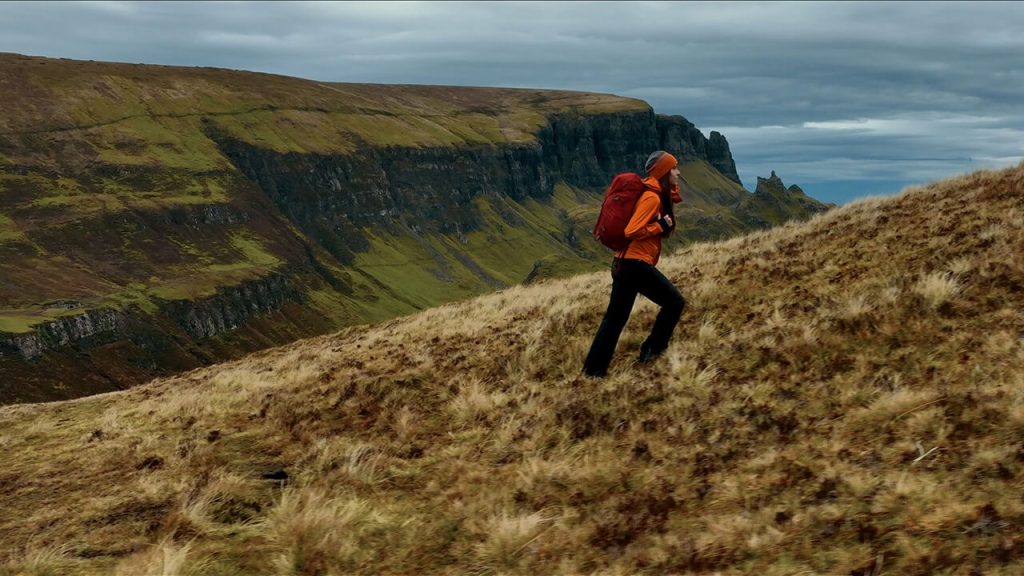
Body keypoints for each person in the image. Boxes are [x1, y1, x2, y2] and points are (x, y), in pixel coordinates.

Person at [582, 150, 686, 377]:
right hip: (634, 265)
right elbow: (632, 230)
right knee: (675, 302)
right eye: (674, 168)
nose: (678, 172)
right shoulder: (652, 197)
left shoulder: (654, 193)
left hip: (622, 264)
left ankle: (593, 371)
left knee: (614, 319)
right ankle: (652, 352)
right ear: (664, 172)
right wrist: (659, 226)